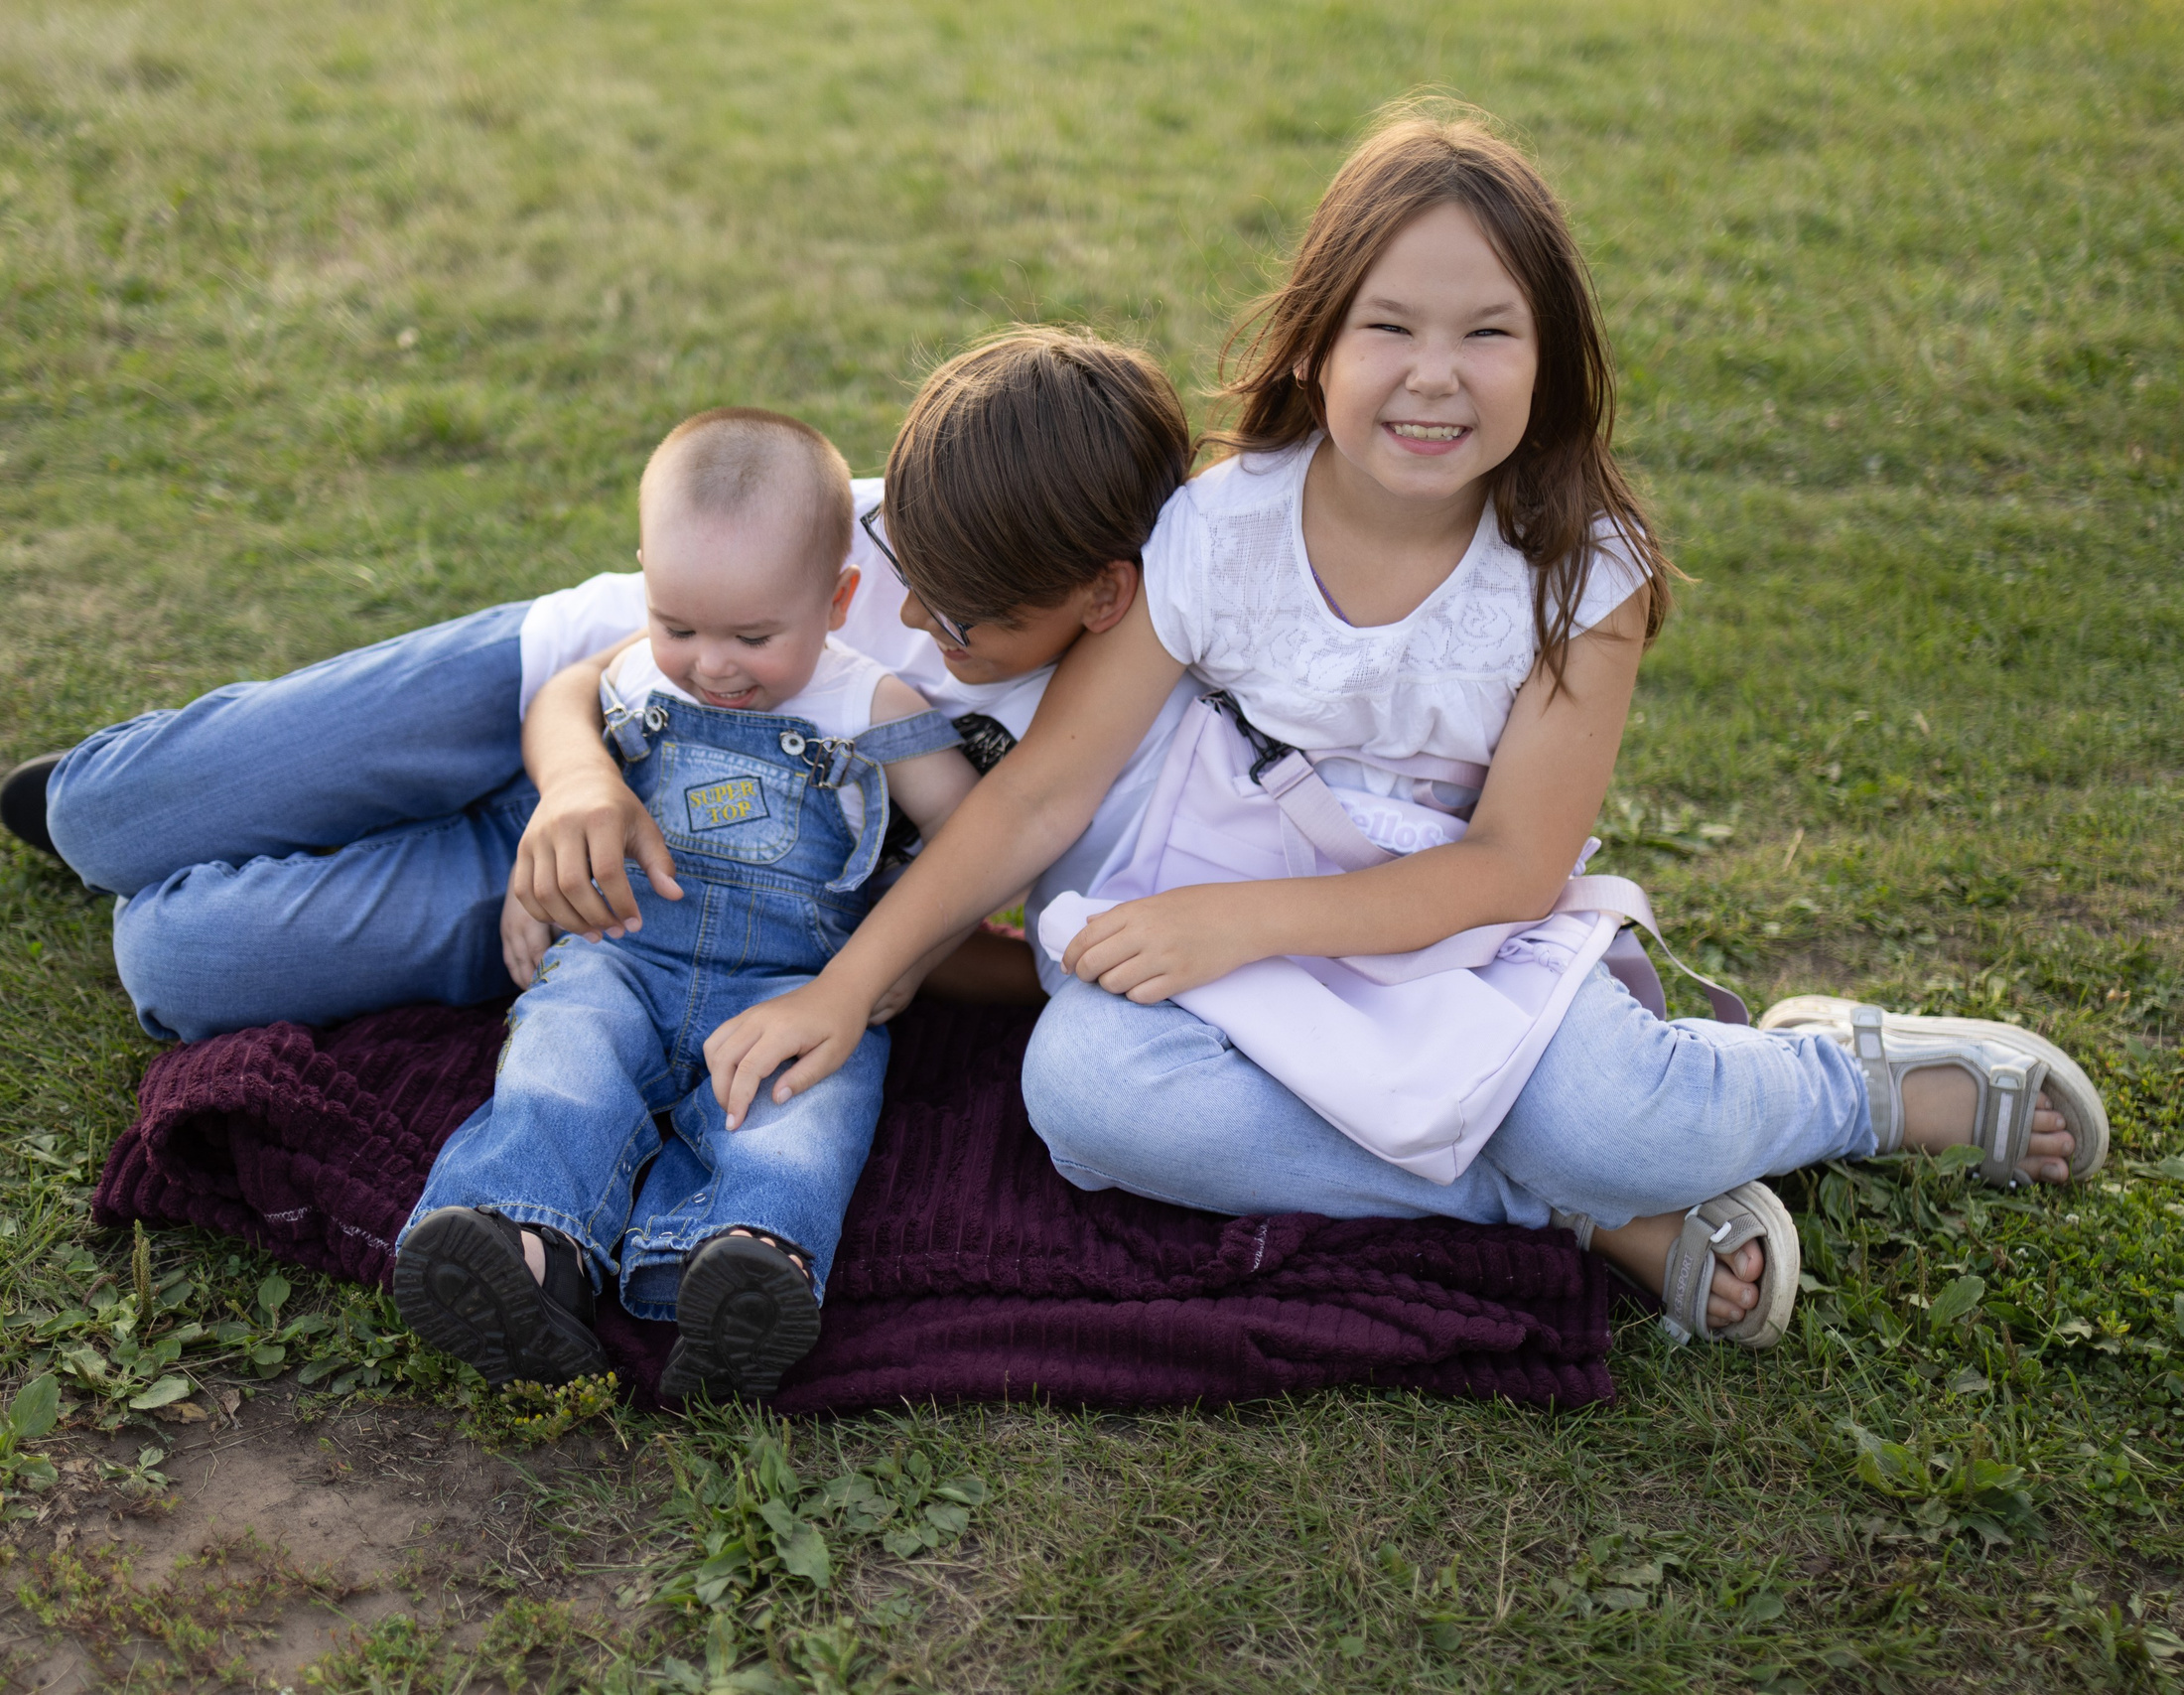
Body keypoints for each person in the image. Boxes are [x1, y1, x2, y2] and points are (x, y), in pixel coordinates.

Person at [689, 104, 2109, 1350]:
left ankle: (1848, 1081)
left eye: (1488, 332)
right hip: (1227, 928)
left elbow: (1508, 868)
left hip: (1448, 931)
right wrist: (851, 982)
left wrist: (1243, 923)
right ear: (1316, 345)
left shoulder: (1578, 572)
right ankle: (1552, 1201)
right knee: (1089, 1097)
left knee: (1617, 1122)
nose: (1436, 375)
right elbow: (1036, 801)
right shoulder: (1220, 531)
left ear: (1550, 360)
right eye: (1392, 329)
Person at [19, 328, 1193, 1049]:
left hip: (652, 873)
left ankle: (369, 844)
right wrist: (574, 777)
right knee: (98, 816)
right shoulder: (927, 515)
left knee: (180, 961)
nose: (922, 623)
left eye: (971, 619)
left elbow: (1009, 935)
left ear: (1103, 596)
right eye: (906, 575)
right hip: (559, 688)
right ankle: (185, 796)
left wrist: (879, 975)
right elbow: (591, 670)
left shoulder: (1112, 740)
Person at [391, 409, 980, 1401]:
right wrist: (546, 883)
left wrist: (890, 967)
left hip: (796, 981)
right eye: (679, 626)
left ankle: (742, 1263)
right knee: (561, 1056)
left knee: (800, 1111)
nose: (713, 663)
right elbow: (576, 763)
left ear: (836, 600)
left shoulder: (868, 707)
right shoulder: (631, 677)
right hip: (626, 951)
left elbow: (976, 838)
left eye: (754, 635)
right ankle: (524, 1245)